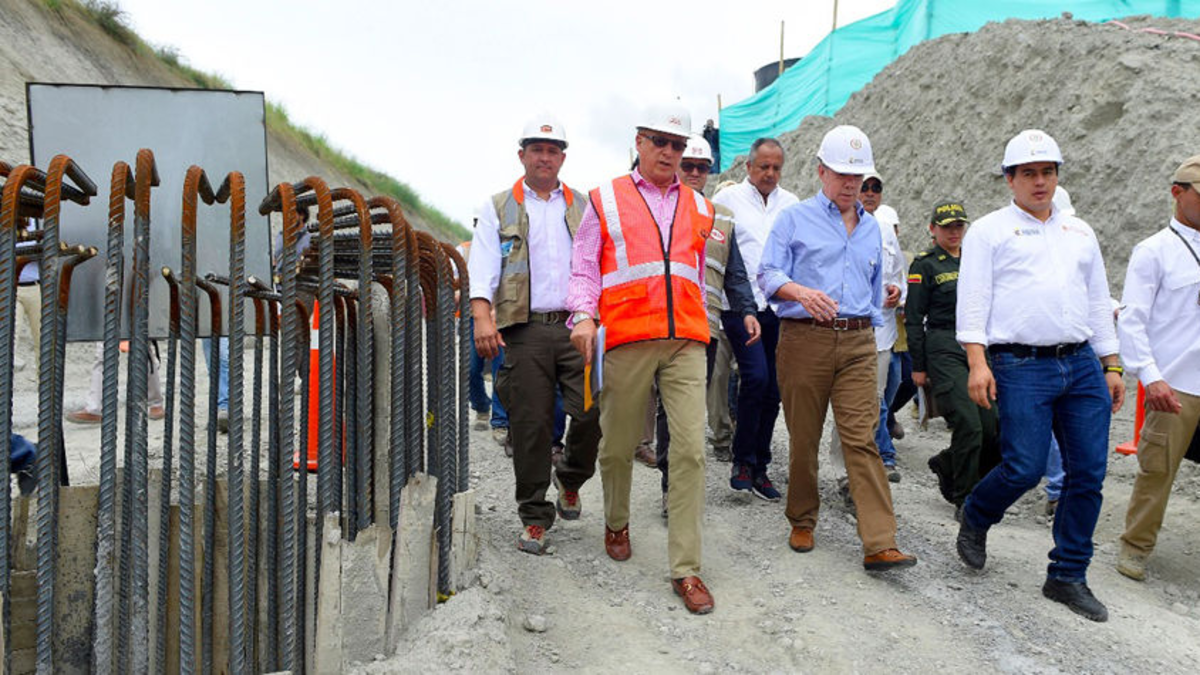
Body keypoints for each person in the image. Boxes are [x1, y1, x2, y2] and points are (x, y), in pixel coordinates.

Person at [954, 129, 1124, 622]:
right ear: (1010, 179)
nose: (1040, 181)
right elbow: (974, 300)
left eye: (1048, 172)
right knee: (1024, 467)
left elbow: (1098, 300)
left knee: (1087, 473)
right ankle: (978, 513)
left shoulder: (1079, 232)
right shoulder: (989, 231)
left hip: (1081, 364)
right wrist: (977, 362)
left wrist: (1111, 363)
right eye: (1028, 173)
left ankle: (1067, 574)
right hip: (1020, 365)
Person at [568, 103, 717, 614]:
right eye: (660, 141)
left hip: (686, 341)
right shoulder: (605, 198)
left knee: (690, 451)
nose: (669, 152)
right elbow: (584, 266)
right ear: (639, 142)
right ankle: (616, 521)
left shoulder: (700, 207)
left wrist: (708, 325)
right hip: (628, 337)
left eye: (677, 145)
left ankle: (686, 568)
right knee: (617, 447)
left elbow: (695, 273)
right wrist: (582, 317)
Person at [759, 124, 918, 571]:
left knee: (862, 438)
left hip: (858, 341)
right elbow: (768, 273)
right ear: (821, 171)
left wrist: (886, 297)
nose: (851, 184)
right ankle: (802, 518)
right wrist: (799, 292)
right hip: (804, 338)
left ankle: (880, 541)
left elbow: (872, 283)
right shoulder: (793, 219)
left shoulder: (873, 229)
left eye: (858, 176)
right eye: (842, 174)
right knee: (804, 437)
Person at [469, 114, 601, 555]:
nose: (545, 157)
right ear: (522, 155)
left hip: (577, 326)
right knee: (531, 427)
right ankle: (534, 516)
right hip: (523, 331)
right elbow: (482, 268)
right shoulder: (498, 206)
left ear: (563, 157)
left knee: (592, 411)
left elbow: (600, 264)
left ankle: (571, 477)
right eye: (537, 150)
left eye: (552, 150)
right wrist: (482, 316)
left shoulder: (585, 206)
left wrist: (594, 317)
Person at [651, 135, 759, 517]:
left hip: (704, 327)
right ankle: (670, 485)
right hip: (663, 324)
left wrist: (747, 310)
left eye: (702, 167)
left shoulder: (721, 217)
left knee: (690, 410)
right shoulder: (657, 210)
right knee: (667, 408)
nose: (695, 173)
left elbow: (735, 272)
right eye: (689, 166)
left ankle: (681, 486)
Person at [1115, 154, 1200, 581]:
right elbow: (1132, 321)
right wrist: (1152, 377)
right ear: (1177, 193)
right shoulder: (1154, 252)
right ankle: (1135, 547)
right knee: (1158, 470)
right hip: (1175, 383)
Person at [711, 137, 798, 500]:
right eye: (763, 166)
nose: (770, 173)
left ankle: (761, 465)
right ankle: (742, 461)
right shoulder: (727, 201)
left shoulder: (791, 205)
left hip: (778, 307)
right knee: (756, 378)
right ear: (748, 167)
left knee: (774, 389)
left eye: (776, 167)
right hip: (739, 306)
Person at [906, 200, 999, 520]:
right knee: (968, 423)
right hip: (943, 344)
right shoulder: (925, 264)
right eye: (947, 227)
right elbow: (914, 318)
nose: (954, 232)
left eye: (959, 226)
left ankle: (948, 464)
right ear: (933, 229)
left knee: (993, 425)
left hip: (977, 345)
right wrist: (918, 366)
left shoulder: (976, 260)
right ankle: (965, 497)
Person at [828, 170, 906, 491]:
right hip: (844, 332)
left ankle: (864, 467)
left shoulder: (886, 230)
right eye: (866, 187)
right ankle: (845, 473)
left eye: (876, 187)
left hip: (881, 335)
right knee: (848, 403)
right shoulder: (831, 226)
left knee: (872, 403)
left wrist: (897, 292)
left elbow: (899, 277)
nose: (870, 192)